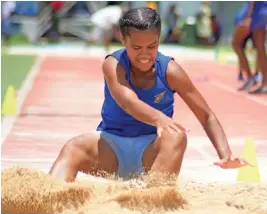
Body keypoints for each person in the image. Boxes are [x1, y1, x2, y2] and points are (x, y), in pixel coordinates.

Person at [49, 7, 249, 183]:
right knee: (73, 146)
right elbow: (127, 101)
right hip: (112, 148)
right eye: (136, 48)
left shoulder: (171, 71)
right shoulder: (113, 64)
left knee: (177, 136)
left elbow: (207, 115)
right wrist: (159, 118)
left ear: (159, 39)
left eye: (151, 47)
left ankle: (152, 198)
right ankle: (46, 196)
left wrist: (225, 155)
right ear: (123, 39)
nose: (144, 55)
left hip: (152, 155)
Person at [232, 1, 261, 91]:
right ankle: (254, 77)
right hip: (254, 14)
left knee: (236, 44)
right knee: (259, 48)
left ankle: (251, 77)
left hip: (249, 15)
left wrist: (248, 16)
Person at [248, 1, 267, 94]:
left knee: (260, 48)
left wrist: (248, 16)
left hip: (260, 11)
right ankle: (264, 82)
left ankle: (265, 83)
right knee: (261, 49)